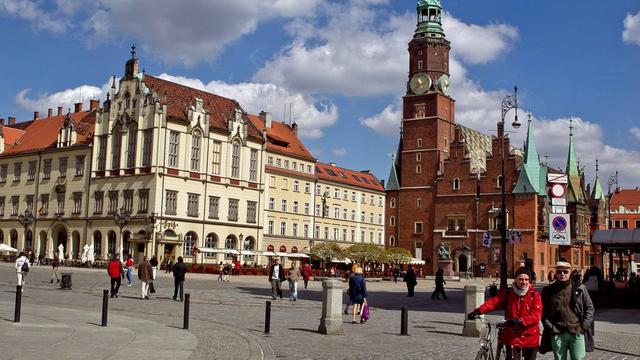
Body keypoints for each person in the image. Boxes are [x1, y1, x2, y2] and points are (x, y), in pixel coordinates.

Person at [468, 267, 542, 360]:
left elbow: (536, 315)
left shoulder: (534, 295)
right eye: (521, 279)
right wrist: (478, 311)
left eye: (526, 279)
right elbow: (493, 303)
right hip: (512, 335)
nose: (524, 282)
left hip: (530, 336)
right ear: (515, 279)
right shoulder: (508, 293)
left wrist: (520, 321)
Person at [540, 261, 595, 359]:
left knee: (578, 358)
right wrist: (551, 327)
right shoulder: (548, 290)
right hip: (557, 330)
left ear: (570, 273)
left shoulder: (580, 288)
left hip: (577, 330)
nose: (562, 274)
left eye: (565, 272)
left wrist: (584, 326)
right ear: (555, 273)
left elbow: (590, 308)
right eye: (559, 272)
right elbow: (544, 312)